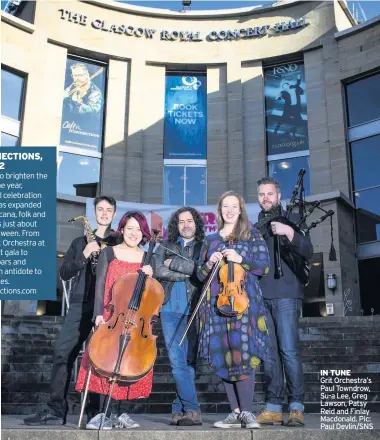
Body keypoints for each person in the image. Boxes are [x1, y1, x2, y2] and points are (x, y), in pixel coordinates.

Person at [24, 196, 117, 426]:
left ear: (114, 213)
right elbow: (65, 272)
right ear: (94, 212)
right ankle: (56, 409)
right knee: (61, 353)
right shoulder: (79, 242)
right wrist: (84, 255)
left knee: (100, 360)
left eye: (108, 210)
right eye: (100, 209)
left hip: (107, 308)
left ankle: (95, 412)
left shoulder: (119, 241)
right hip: (79, 305)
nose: (104, 213)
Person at [197, 191, 270, 429]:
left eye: (234, 206)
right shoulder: (210, 240)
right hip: (217, 305)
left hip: (244, 305)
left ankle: (248, 412)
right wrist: (209, 264)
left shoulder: (252, 235)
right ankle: (235, 412)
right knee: (222, 354)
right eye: (225, 206)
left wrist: (241, 259)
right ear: (219, 211)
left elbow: (264, 268)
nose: (229, 210)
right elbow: (200, 275)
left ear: (240, 210)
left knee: (244, 354)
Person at [75, 211, 155, 430]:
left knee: (129, 363)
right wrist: (98, 314)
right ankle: (102, 413)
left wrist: (150, 275)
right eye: (129, 228)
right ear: (122, 229)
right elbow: (100, 284)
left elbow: (151, 295)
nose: (134, 233)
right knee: (104, 361)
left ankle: (121, 414)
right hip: (111, 316)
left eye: (138, 229)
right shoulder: (109, 253)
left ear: (144, 233)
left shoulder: (147, 258)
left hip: (135, 321)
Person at [255, 177, 313, 427]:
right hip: (261, 296)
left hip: (287, 294)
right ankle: (273, 406)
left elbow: (308, 250)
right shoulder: (256, 227)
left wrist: (289, 232)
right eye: (261, 194)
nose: (265, 198)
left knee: (288, 351)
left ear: (278, 197)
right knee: (269, 355)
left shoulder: (292, 220)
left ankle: (296, 406)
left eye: (270, 193)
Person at [154, 207, 204, 426]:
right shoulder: (165, 245)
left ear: (196, 224)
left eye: (190, 221)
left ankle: (178, 409)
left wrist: (174, 264)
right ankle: (193, 409)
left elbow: (202, 270)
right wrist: (188, 271)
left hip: (195, 309)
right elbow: (157, 270)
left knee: (188, 362)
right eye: (181, 221)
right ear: (176, 225)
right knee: (176, 361)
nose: (186, 225)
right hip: (169, 310)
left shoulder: (204, 246)